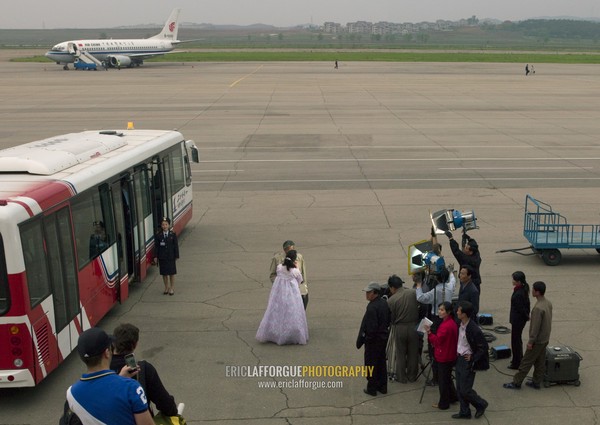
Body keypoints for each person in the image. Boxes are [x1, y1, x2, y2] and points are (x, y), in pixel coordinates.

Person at [66, 327, 154, 425]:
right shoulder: (131, 388)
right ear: (107, 353)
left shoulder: (71, 393)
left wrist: (120, 378)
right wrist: (120, 381)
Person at [110, 323, 178, 417]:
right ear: (135, 344)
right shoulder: (143, 369)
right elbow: (165, 404)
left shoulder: (103, 369)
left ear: (113, 343)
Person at [504, 281, 552, 390]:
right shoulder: (547, 303)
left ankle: (516, 382)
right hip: (545, 338)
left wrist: (531, 342)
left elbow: (535, 328)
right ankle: (536, 381)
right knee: (540, 361)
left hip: (537, 340)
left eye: (534, 289)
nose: (532, 291)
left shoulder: (538, 308)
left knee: (526, 362)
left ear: (538, 292)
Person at [257, 250, 308, 345]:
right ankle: (292, 333)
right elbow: (300, 280)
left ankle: (275, 333)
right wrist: (296, 267)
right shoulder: (295, 271)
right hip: (292, 294)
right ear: (294, 259)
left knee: (277, 311)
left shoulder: (279, 267)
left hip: (279, 292)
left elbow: (279, 275)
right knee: (292, 312)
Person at [453, 301, 489, 420]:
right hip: (459, 358)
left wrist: (473, 358)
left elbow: (483, 347)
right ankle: (464, 411)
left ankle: (481, 404)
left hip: (467, 360)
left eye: (459, 310)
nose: (457, 312)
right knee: (459, 388)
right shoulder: (460, 323)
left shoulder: (474, 329)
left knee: (465, 390)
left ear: (464, 314)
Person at [357, 282, 390, 396]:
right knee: (381, 363)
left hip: (373, 340)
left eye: (369, 292)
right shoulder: (384, 303)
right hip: (383, 338)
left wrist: (367, 339)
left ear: (375, 293)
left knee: (371, 364)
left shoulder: (372, 307)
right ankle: (382, 386)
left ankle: (372, 388)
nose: (366, 295)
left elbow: (371, 327)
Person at [386, 275, 420, 383]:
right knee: (413, 353)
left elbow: (391, 318)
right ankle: (412, 376)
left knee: (400, 353)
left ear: (392, 287)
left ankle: (401, 377)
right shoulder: (413, 293)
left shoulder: (391, 300)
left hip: (399, 327)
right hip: (414, 326)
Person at [425, 301, 458, 410]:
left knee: (443, 381)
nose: (439, 311)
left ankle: (444, 403)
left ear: (448, 312)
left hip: (443, 355)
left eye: (442, 310)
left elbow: (437, 340)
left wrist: (429, 333)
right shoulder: (451, 323)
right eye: (439, 309)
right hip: (450, 354)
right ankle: (453, 397)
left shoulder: (445, 326)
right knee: (447, 378)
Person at [270, 240, 308, 309]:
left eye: (292, 249)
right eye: (288, 249)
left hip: (299, 291)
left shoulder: (299, 257)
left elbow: (303, 273)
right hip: (284, 292)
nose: (291, 251)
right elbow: (272, 275)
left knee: (301, 311)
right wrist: (279, 285)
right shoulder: (277, 259)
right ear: (284, 250)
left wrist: (304, 287)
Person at [508, 271, 530, 370]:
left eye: (514, 280)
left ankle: (517, 362)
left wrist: (525, 316)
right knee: (517, 340)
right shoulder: (522, 290)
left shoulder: (519, 294)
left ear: (519, 281)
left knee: (515, 341)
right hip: (519, 319)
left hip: (518, 320)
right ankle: (517, 359)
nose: (512, 281)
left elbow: (521, 308)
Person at [154, 217, 179, 295]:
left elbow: (176, 246)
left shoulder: (172, 234)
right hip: (162, 257)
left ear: (169, 225)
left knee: (171, 273)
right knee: (164, 273)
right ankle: (166, 287)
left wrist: (176, 256)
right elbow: (156, 247)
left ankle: (171, 288)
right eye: (163, 225)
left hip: (171, 257)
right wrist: (155, 257)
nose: (164, 226)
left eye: (166, 224)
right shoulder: (159, 235)